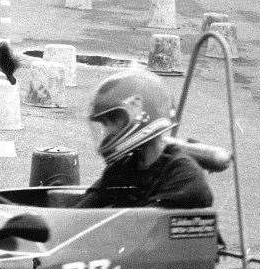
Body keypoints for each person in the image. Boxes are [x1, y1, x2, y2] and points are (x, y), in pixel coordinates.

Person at [76, 70, 213, 209]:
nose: (108, 130)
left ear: (142, 113)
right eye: (105, 123)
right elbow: (82, 211)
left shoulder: (184, 174)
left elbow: (145, 223)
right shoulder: (124, 168)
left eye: (114, 119)